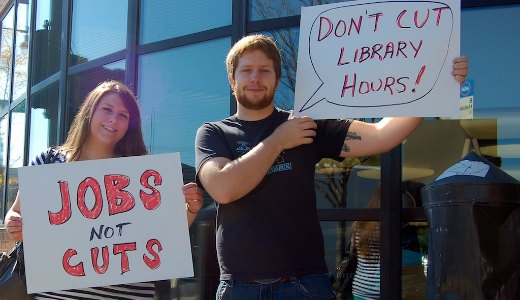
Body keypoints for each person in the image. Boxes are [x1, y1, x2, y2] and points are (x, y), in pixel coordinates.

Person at [195, 34, 468, 299]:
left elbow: (383, 135)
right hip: (238, 287)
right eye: (247, 71)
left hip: (303, 285)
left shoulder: (307, 124)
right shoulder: (213, 133)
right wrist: (278, 140)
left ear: (277, 79)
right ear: (232, 79)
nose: (255, 78)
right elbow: (223, 188)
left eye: (265, 70)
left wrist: (435, 85)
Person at [4, 80, 203, 299]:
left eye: (123, 115)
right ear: (90, 111)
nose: (112, 120)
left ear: (130, 124)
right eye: (106, 109)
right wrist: (14, 224)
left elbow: (164, 235)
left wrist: (190, 209)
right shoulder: (49, 162)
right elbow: (16, 213)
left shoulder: (141, 173)